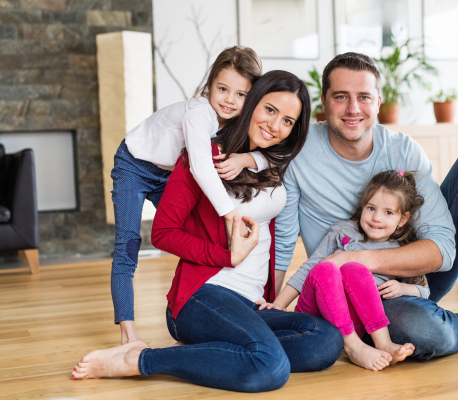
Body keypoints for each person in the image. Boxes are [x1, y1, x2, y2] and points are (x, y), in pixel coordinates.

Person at [274, 52, 458, 358]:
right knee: (428, 332)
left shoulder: (403, 150)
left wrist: (359, 257)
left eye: (364, 97)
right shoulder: (298, 150)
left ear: (379, 101)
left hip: (412, 280)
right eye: (341, 96)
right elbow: (283, 240)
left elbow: (443, 250)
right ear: (324, 100)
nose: (352, 108)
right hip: (348, 294)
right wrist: (272, 308)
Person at [72, 71, 344, 392]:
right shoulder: (200, 157)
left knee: (325, 341)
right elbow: (163, 232)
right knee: (270, 367)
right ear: (251, 102)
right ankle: (139, 360)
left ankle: (218, 354)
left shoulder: (270, 162)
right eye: (270, 110)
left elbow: (277, 238)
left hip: (252, 301)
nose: (275, 126)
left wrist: (275, 297)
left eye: (287, 121)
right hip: (203, 295)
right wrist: (226, 256)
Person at [111, 46, 269, 345]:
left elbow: (270, 154)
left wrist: (249, 160)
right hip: (134, 165)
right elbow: (200, 167)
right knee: (128, 245)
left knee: (193, 231)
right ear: (210, 85)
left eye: (240, 94)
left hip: (169, 171)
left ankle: (199, 300)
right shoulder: (199, 113)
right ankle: (128, 333)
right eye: (223, 89)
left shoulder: (236, 122)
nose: (229, 100)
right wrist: (230, 213)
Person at [262, 170, 446, 371]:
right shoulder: (342, 230)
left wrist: (402, 288)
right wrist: (279, 304)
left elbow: (425, 291)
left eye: (388, 213)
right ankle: (354, 347)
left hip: (354, 322)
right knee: (326, 268)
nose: (376, 218)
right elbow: (310, 267)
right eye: (371, 208)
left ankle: (383, 342)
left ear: (402, 219)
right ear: (363, 207)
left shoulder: (399, 250)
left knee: (355, 270)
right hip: (314, 312)